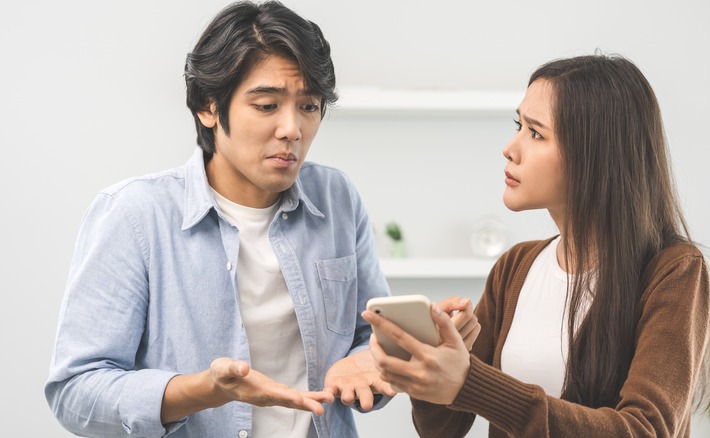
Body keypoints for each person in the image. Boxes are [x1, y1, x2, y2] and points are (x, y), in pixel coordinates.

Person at [44, 2, 481, 437]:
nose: (292, 128)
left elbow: (366, 340)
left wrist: (378, 355)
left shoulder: (337, 199)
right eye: (268, 105)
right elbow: (75, 391)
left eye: (308, 107)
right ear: (209, 107)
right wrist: (203, 390)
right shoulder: (135, 214)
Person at [363, 54, 710, 437]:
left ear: (595, 155)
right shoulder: (515, 267)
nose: (509, 148)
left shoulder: (674, 271)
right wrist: (432, 367)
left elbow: (643, 430)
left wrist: (469, 381)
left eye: (535, 133)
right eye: (518, 125)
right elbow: (442, 429)